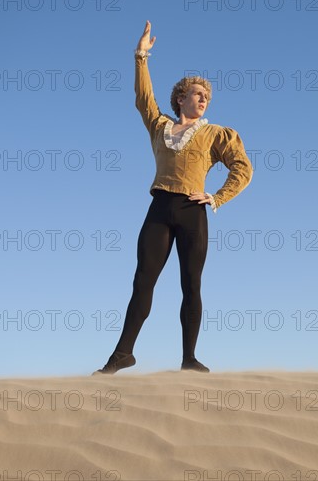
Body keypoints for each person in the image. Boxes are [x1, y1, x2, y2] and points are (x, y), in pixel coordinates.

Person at [93, 20, 253, 375]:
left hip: (193, 210)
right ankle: (122, 354)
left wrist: (217, 197)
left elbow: (243, 168)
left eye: (206, 96)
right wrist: (141, 57)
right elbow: (142, 99)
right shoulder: (160, 124)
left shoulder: (216, 133)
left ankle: (189, 358)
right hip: (160, 207)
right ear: (180, 97)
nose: (203, 99)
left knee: (190, 284)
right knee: (142, 280)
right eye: (197, 94)